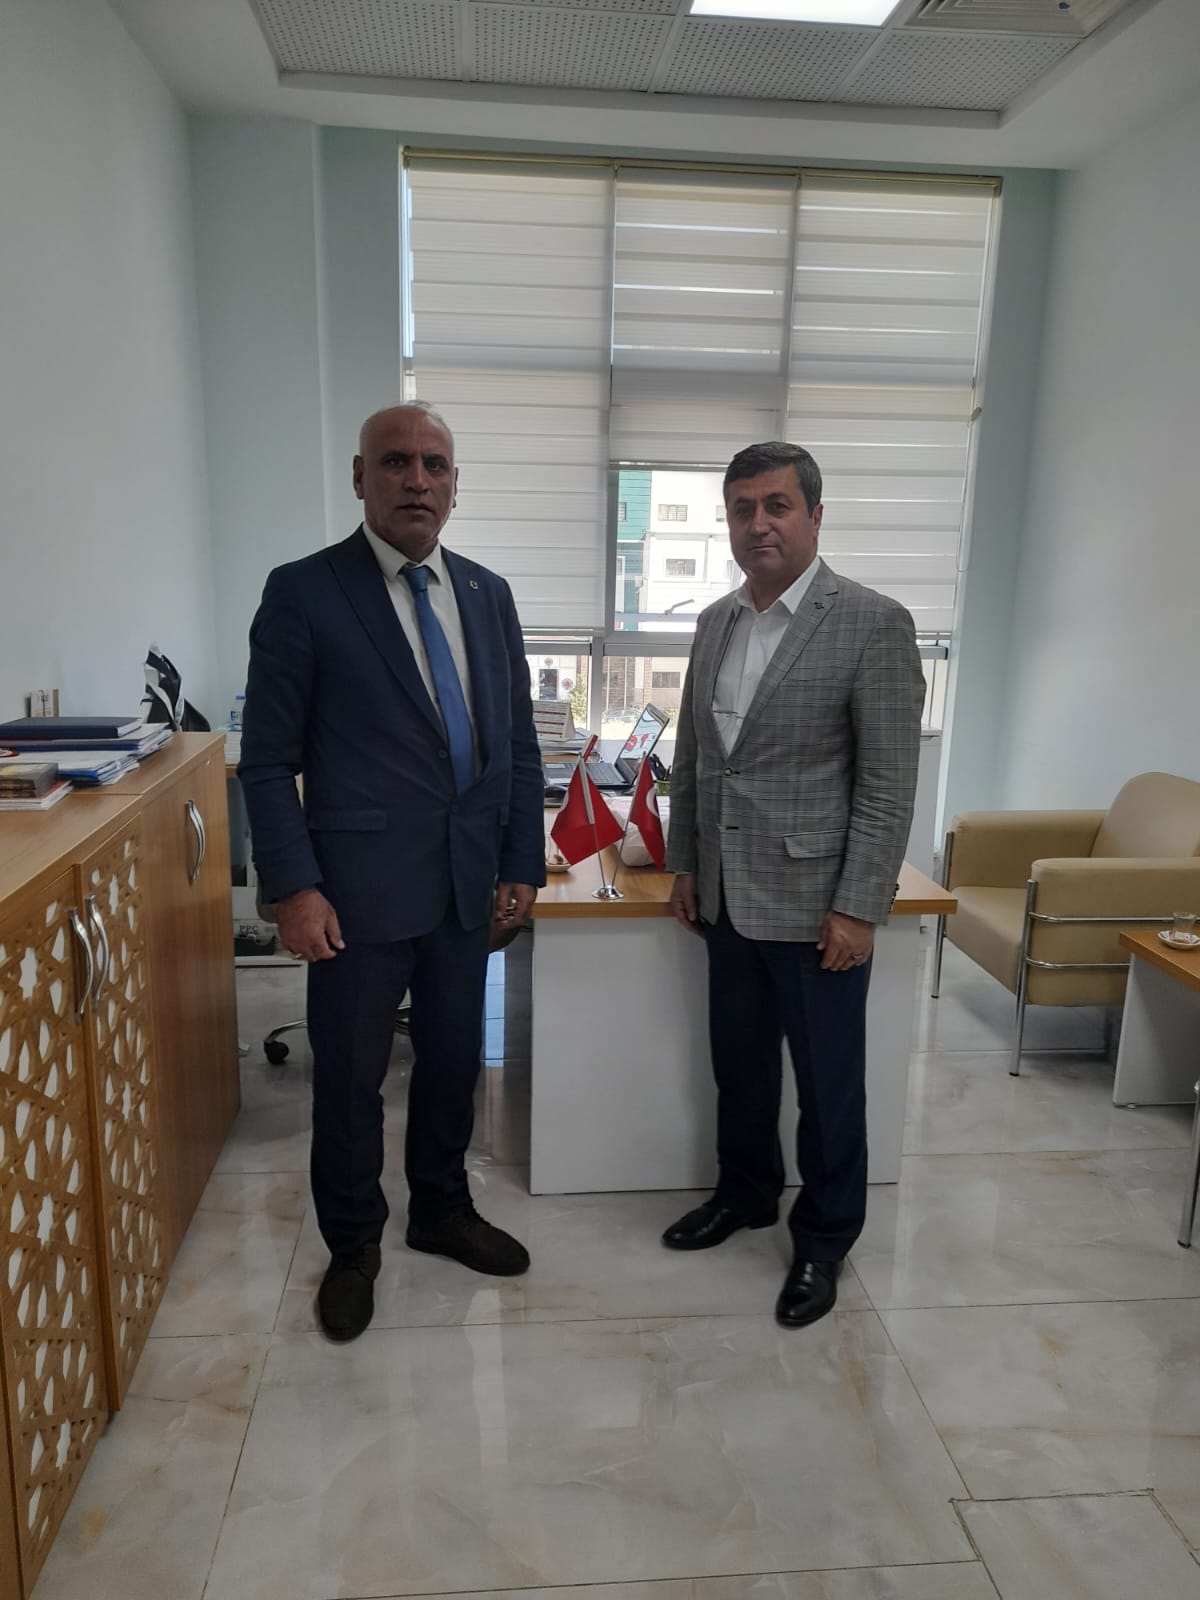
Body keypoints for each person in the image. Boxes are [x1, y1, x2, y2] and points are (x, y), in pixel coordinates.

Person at [238, 402, 545, 1342]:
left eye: (435, 465)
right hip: (353, 894)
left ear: (455, 485)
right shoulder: (305, 591)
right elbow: (266, 762)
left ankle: (441, 1210)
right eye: (397, 462)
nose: (418, 480)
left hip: (463, 885)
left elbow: (516, 743)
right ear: (361, 478)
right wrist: (293, 888)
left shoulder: (488, 593)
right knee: (351, 1082)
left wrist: (520, 860)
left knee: (453, 1063)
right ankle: (353, 1245)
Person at [662, 440, 925, 1330]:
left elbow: (887, 785)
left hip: (818, 910)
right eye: (742, 509)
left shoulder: (873, 623)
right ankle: (745, 1194)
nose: (758, 524)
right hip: (727, 899)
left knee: (828, 1087)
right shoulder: (715, 623)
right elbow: (696, 761)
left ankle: (824, 1238)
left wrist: (859, 906)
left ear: (815, 514)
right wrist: (687, 862)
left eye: (776, 506)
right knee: (739, 1070)